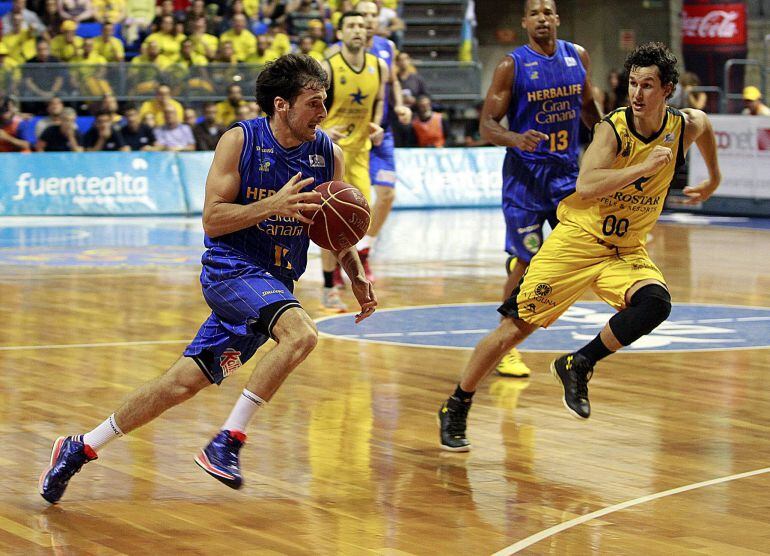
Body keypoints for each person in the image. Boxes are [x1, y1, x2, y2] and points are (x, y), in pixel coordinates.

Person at [38, 53, 377, 504]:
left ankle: (80, 446)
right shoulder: (240, 141)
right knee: (302, 335)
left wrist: (356, 274)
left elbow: (334, 229)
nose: (323, 112)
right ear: (282, 104)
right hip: (230, 270)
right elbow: (213, 220)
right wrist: (270, 205)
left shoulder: (326, 154)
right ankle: (228, 440)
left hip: (274, 284)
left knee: (182, 384)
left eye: (324, 101)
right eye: (314, 103)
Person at [437, 41, 721, 452]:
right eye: (633, 84)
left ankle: (578, 363)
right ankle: (457, 403)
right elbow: (586, 186)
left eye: (647, 86)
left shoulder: (681, 126)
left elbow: (705, 124)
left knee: (656, 303)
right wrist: (643, 166)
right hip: (578, 241)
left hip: (624, 249)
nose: (637, 94)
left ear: (668, 90)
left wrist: (713, 179)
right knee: (513, 330)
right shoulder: (613, 129)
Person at [478, 0, 602, 379]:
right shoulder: (510, 66)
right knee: (526, 261)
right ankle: (506, 347)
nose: (542, 19)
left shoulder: (576, 56)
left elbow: (588, 110)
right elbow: (487, 125)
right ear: (524, 22)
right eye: (535, 13)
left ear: (557, 18)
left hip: (566, 176)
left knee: (585, 249)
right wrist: (516, 138)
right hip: (525, 181)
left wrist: (608, 143)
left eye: (548, 12)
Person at [319, 10, 387, 311]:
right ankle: (328, 285)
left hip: (360, 153)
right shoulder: (328, 68)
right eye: (351, 26)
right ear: (340, 33)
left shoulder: (379, 66)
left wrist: (377, 124)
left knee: (359, 220)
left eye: (361, 25)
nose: (357, 30)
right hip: (330, 154)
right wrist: (322, 129)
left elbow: (380, 99)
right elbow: (308, 105)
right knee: (328, 221)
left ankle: (348, 272)